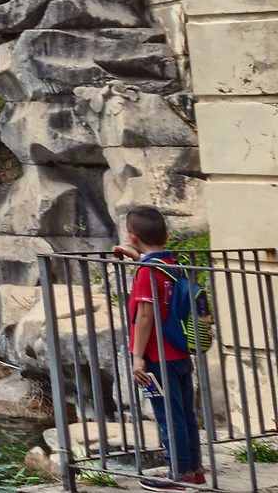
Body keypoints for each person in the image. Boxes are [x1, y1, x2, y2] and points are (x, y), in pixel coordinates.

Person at [123, 205, 206, 488]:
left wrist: (137, 359)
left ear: (132, 238)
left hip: (156, 358)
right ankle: (193, 469)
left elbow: (145, 315)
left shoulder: (147, 272)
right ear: (167, 235)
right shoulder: (172, 263)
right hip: (179, 353)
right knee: (184, 414)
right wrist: (139, 259)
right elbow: (162, 285)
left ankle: (177, 474)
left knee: (168, 417)